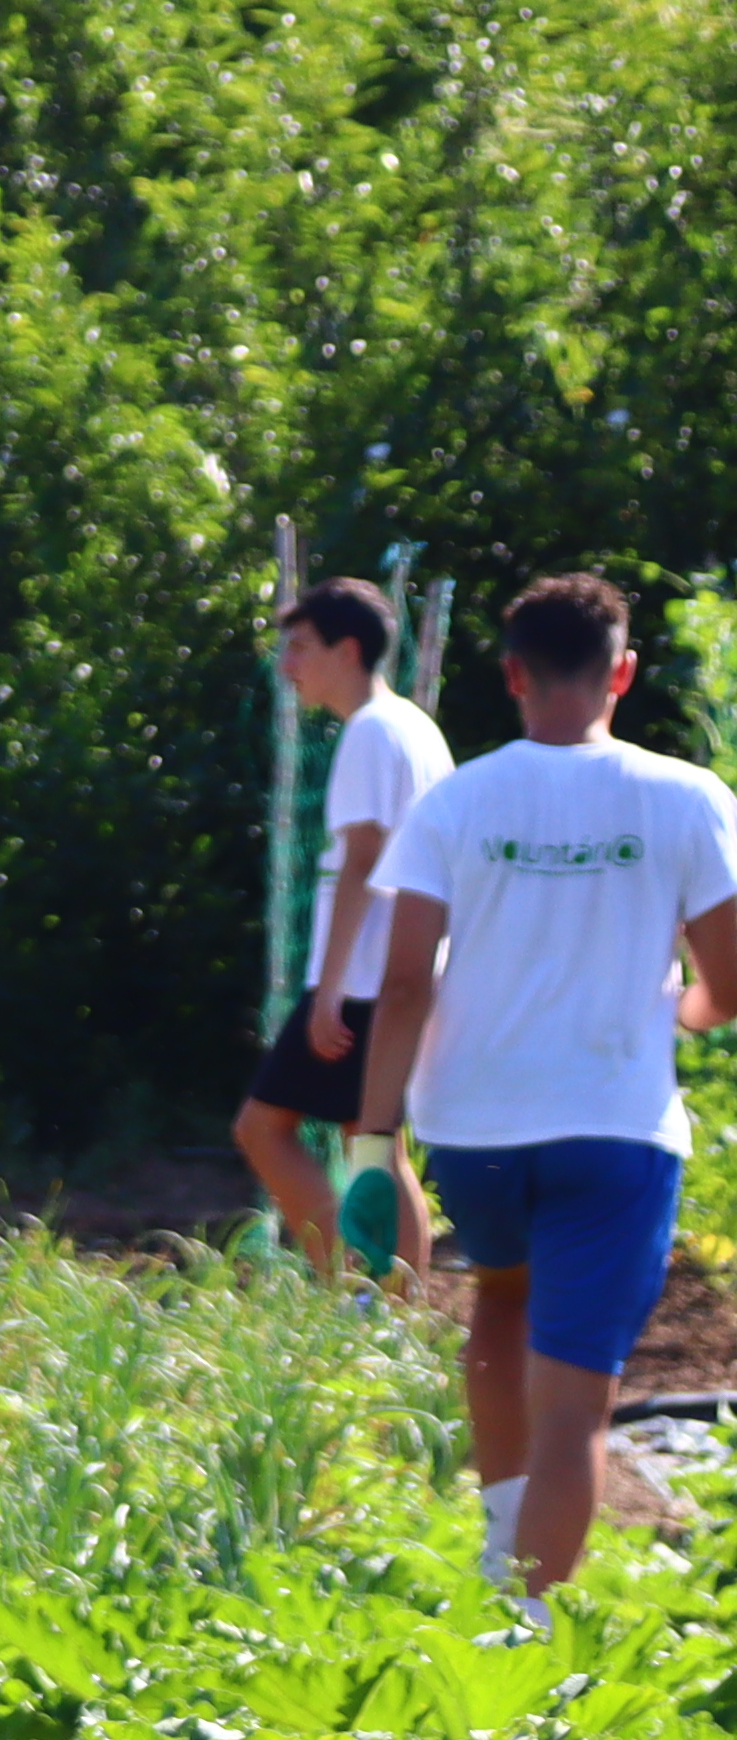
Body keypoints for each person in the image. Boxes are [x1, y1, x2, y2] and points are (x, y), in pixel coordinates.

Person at [342, 570, 737, 1593]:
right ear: (625, 673)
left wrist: (375, 1139)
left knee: (502, 1297)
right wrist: (682, 1012)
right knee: (576, 1408)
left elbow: (402, 983)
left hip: (473, 1125)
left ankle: (497, 1545)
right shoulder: (688, 798)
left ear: (513, 673)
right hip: (614, 1128)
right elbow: (727, 984)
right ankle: (528, 1625)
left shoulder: (458, 800)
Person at [241, 579, 447, 1273]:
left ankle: (348, 1285)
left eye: (300, 648)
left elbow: (363, 860)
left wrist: (327, 990)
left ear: (348, 650)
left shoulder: (371, 731)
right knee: (373, 1143)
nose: (287, 666)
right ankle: (395, 1309)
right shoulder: (414, 727)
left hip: (364, 979)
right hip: (402, 970)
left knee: (263, 1129)